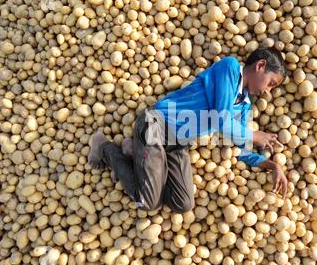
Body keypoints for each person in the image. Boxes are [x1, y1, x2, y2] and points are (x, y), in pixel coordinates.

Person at [88, 47, 289, 213]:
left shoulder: (244, 107)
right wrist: (254, 135)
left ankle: (135, 153)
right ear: (260, 65)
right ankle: (104, 146)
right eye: (271, 83)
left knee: (183, 203)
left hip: (177, 144)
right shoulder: (230, 67)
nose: (267, 92)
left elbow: (241, 149)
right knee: (148, 202)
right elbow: (221, 119)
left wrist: (272, 166)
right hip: (156, 125)